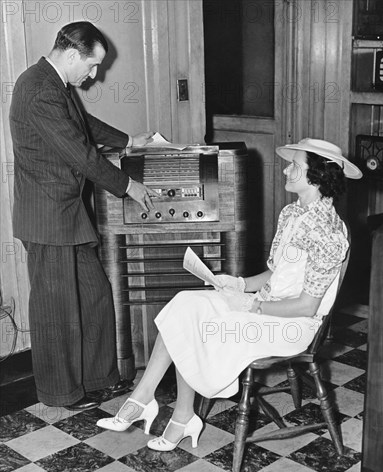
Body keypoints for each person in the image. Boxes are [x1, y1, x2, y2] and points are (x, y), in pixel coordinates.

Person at [97, 138, 362, 448]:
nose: (287, 170)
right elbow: (276, 275)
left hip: (292, 325)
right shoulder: (292, 214)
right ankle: (149, 400)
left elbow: (307, 305)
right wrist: (237, 284)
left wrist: (253, 306)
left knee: (197, 326)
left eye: (295, 166)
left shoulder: (328, 232)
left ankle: (178, 415)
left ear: (317, 176)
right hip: (266, 305)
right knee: (185, 303)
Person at [10, 21, 158, 411]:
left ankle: (96, 379)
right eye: (91, 66)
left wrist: (128, 140)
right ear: (72, 55)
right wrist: (129, 186)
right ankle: (61, 393)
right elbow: (80, 152)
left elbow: (84, 125)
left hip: (68, 213)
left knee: (93, 295)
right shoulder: (39, 89)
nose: (93, 76)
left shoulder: (56, 82)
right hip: (48, 216)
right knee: (56, 311)